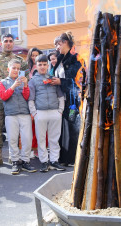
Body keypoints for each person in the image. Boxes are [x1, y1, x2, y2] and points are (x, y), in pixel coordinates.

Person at [0, 34, 29, 168]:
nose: (8, 43)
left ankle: (13, 156)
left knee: (14, 128)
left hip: (15, 98)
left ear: (13, 43)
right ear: (0, 43)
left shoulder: (21, 61)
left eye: (11, 41)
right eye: (6, 41)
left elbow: (26, 80)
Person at [28, 55, 65, 172]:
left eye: (44, 64)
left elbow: (60, 96)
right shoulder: (33, 81)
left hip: (55, 112)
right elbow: (31, 99)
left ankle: (54, 161)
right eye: (40, 64)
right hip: (40, 113)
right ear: (36, 66)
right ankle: (44, 162)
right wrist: (34, 113)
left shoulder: (54, 78)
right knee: (41, 139)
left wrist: (60, 111)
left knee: (54, 139)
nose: (42, 67)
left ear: (48, 65)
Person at [0, 59, 36, 175]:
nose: (16, 70)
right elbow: (3, 97)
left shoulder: (25, 81)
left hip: (24, 114)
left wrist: (25, 85)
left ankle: (25, 161)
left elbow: (27, 97)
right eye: (14, 68)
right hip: (11, 114)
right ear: (8, 69)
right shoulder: (3, 82)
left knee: (27, 138)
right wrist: (13, 86)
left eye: (18, 69)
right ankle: (15, 161)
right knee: (13, 139)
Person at [51, 32, 82, 166]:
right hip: (59, 100)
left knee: (72, 127)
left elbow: (77, 81)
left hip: (72, 102)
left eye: (58, 44)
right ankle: (63, 157)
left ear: (65, 42)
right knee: (61, 129)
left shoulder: (76, 59)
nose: (57, 47)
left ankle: (73, 158)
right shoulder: (59, 60)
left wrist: (61, 82)